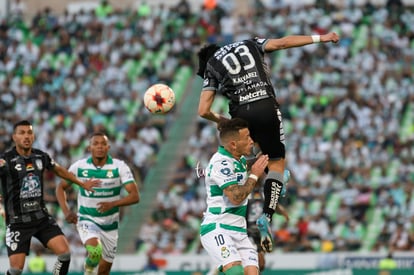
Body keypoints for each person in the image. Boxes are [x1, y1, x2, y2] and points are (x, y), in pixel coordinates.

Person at [197, 32, 339, 252]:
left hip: (240, 113)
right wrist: (322, 37)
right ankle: (267, 214)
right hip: (265, 105)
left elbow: (203, 110)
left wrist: (222, 120)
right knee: (277, 163)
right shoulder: (249, 43)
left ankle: (241, 175)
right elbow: (283, 43)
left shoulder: (212, 65)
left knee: (243, 156)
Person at [0, 120, 100, 275]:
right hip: (17, 222)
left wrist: (81, 183)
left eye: (29, 133)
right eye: (22, 133)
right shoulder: (6, 160)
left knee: (65, 254)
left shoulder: (40, 156)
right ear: (14, 137)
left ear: (33, 136)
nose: (26, 136)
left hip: (41, 218)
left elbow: (60, 171)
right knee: (15, 270)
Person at [56, 132, 140, 275]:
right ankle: (88, 269)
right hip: (87, 219)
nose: (99, 147)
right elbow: (60, 188)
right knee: (95, 251)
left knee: (104, 270)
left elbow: (135, 196)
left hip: (110, 226)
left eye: (103, 144)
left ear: (108, 147)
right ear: (89, 148)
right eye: (96, 144)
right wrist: (66, 211)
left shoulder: (119, 167)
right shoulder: (79, 167)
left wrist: (113, 204)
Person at [200, 118, 269, 275]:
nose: (252, 141)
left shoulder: (238, 159)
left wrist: (264, 157)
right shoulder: (221, 164)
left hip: (239, 230)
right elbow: (236, 197)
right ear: (233, 144)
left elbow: (245, 165)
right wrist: (254, 175)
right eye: (247, 138)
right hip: (218, 227)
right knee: (236, 272)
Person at [246, 170, 290, 272]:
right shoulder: (254, 191)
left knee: (259, 264)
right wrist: (284, 213)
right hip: (252, 229)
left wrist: (283, 213)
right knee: (258, 262)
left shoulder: (257, 191)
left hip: (255, 229)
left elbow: (275, 206)